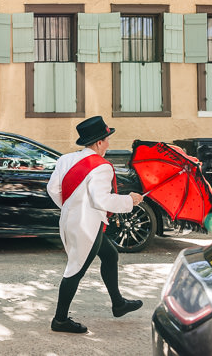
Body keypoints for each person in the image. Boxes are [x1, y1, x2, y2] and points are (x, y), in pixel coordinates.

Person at [46, 116, 144, 334]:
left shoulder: (65, 159)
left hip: (72, 221)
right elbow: (102, 200)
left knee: (109, 255)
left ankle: (118, 303)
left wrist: (72, 206)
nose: (109, 144)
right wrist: (130, 200)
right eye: (107, 139)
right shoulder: (102, 167)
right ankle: (60, 320)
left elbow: (53, 190)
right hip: (87, 226)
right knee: (75, 270)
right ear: (99, 142)